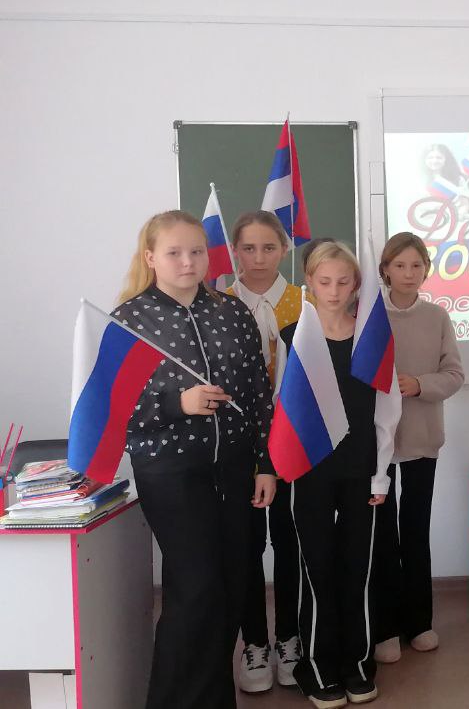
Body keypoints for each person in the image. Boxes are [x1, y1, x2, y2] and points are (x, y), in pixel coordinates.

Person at [113, 210, 275, 709]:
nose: (188, 261)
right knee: (196, 588)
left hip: (234, 469)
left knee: (230, 586)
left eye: (197, 251)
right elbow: (113, 408)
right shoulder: (130, 320)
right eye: (174, 252)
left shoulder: (232, 312)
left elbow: (258, 393)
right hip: (171, 472)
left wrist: (265, 462)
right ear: (150, 258)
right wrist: (175, 403)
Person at [282, 242, 398, 708]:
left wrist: (380, 475)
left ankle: (357, 662)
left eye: (343, 281)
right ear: (309, 282)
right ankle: (317, 665)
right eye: (324, 281)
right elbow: (280, 408)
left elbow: (387, 409)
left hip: (359, 472)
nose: (333, 291)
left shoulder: (371, 338)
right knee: (316, 569)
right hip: (309, 473)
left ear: (357, 284)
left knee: (357, 569)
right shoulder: (293, 337)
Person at [371, 233, 465, 664]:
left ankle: (419, 622)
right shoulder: (368, 316)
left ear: (426, 269)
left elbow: (454, 374)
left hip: (423, 440)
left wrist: (420, 384)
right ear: (385, 269)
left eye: (416, 265)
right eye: (400, 265)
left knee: (415, 532)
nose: (409, 274)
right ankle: (385, 628)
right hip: (378, 445)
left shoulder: (436, 316)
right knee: (382, 536)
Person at [227, 211, 305, 692]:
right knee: (246, 544)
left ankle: (289, 638)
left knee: (291, 541)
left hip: (292, 439)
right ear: (234, 250)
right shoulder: (220, 304)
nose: (258, 258)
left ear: (285, 250)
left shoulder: (306, 302)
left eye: (269, 248)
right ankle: (254, 642)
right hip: (238, 445)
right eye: (249, 248)